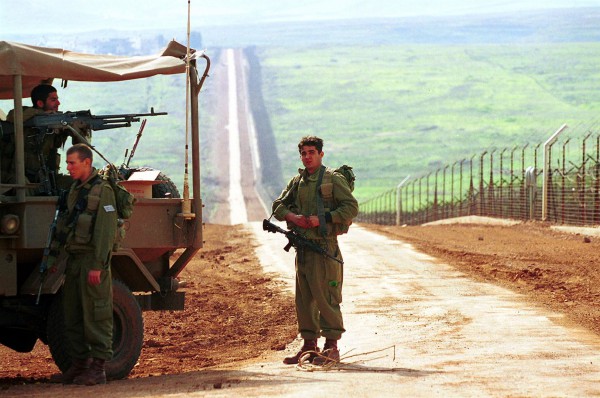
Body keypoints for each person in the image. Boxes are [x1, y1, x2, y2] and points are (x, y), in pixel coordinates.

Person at [272, 135, 358, 365]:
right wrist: (294, 218)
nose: (307, 157)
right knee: (305, 299)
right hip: (303, 247)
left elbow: (351, 207)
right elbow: (277, 206)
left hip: (325, 247)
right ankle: (309, 346)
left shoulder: (332, 179)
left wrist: (323, 219)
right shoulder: (297, 182)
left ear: (321, 154)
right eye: (303, 153)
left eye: (311, 152)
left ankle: (331, 348)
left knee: (327, 298)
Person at [52, 143, 118, 385]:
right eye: (67, 163)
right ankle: (80, 365)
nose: (68, 167)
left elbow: (105, 231)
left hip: (92, 260)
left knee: (96, 313)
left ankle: (98, 368)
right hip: (75, 260)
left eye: (72, 163)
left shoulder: (104, 191)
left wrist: (98, 265)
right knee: (73, 313)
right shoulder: (74, 190)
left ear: (87, 163)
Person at [4, 84, 72, 193]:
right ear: (40, 103)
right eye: (53, 100)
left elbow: (80, 148)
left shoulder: (56, 122)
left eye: (57, 100)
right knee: (24, 188)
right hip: (19, 177)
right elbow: (12, 117)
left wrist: (74, 130)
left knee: (79, 183)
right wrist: (42, 114)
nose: (58, 103)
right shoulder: (25, 114)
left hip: (45, 178)